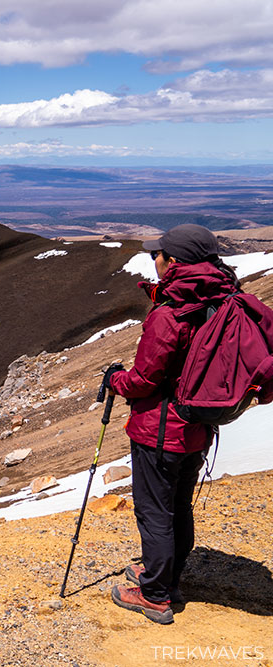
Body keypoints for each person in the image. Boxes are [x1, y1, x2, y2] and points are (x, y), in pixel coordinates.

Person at [105, 224, 239, 625]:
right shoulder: (224, 300)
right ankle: (168, 579)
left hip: (160, 429)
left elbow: (145, 379)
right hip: (198, 427)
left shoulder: (171, 312)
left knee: (154, 512)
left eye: (157, 255)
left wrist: (115, 380)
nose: (154, 260)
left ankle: (155, 594)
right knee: (178, 506)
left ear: (175, 261)